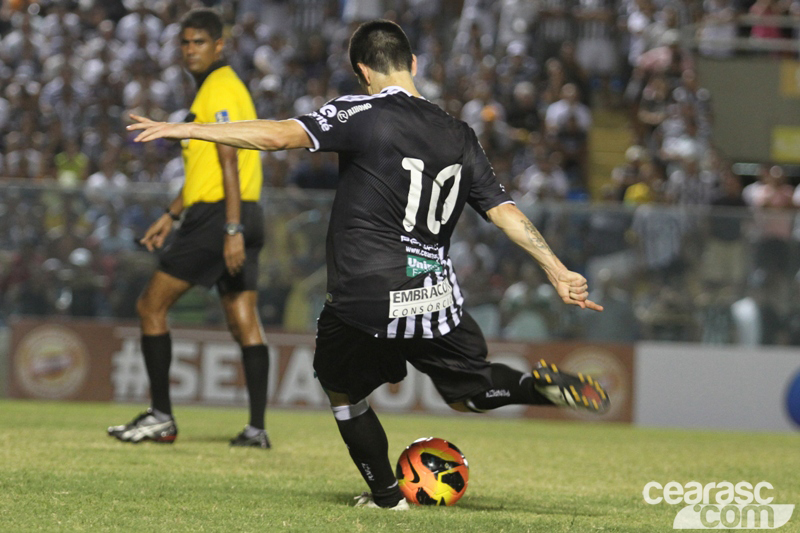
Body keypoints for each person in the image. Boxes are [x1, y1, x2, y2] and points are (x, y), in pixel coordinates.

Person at [128, 20, 609, 508]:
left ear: (362, 71)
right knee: (470, 391)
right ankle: (534, 387)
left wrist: (188, 128)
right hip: (434, 293)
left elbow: (278, 136)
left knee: (341, 388)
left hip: (368, 294)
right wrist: (556, 268)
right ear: (413, 64)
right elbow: (504, 212)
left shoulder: (361, 111)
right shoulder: (459, 133)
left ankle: (386, 495)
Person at [108, 9, 271, 449]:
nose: (189, 50)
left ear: (219, 45)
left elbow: (227, 159)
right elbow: (205, 169)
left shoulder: (218, 89)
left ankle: (161, 417)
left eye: (199, 42)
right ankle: (256, 430)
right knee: (244, 322)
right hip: (244, 211)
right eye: (185, 42)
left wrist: (231, 227)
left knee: (150, 307)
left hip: (222, 216)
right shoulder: (226, 88)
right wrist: (171, 212)